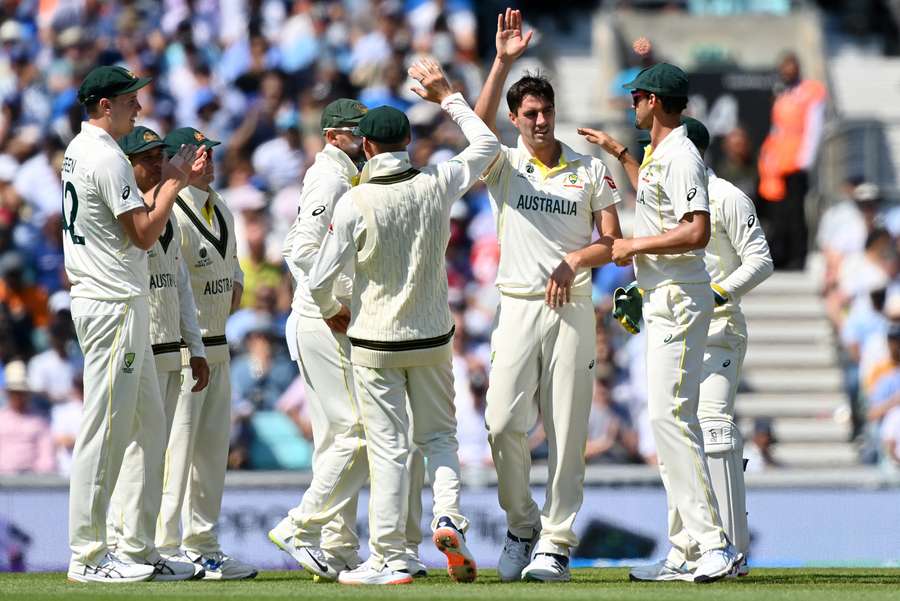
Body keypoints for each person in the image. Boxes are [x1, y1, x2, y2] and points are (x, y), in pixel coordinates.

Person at [308, 57, 498, 585]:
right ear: (407, 142)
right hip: (433, 335)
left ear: (366, 147)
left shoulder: (354, 200)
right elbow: (486, 147)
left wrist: (333, 313)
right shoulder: (436, 182)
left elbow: (320, 279)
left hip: (375, 342)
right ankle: (448, 517)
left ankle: (394, 556)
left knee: (390, 448)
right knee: (439, 438)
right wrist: (449, 97)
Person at [580, 116, 773, 578]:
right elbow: (658, 249)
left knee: (712, 428)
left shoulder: (726, 196)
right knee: (673, 431)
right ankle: (686, 547)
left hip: (720, 328)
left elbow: (760, 260)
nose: (651, 155)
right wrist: (635, 295)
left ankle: (730, 549)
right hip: (678, 321)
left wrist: (719, 294)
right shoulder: (666, 199)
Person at [472, 9, 623, 582]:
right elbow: (474, 127)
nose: (539, 121)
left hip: (573, 308)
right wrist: (503, 61)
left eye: (546, 112)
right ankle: (522, 523)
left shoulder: (590, 170)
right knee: (502, 422)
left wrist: (575, 258)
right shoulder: (504, 165)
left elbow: (613, 243)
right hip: (517, 303)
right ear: (515, 119)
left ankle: (557, 541)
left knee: (567, 426)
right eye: (529, 113)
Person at [267, 97, 428, 580]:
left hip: (326, 318)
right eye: (356, 134)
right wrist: (332, 303)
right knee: (359, 431)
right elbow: (298, 249)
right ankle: (302, 527)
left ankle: (335, 545)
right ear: (334, 136)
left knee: (340, 435)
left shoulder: (346, 175)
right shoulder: (332, 177)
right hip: (323, 320)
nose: (365, 142)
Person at [63, 65, 205, 583]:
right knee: (105, 430)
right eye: (130, 101)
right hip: (113, 303)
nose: (138, 109)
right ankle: (87, 555)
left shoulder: (82, 150)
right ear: (105, 105)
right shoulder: (105, 157)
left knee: (149, 427)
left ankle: (137, 550)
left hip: (118, 299)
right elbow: (145, 234)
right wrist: (172, 182)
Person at [105, 125, 210, 581]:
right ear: (127, 164)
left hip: (170, 351)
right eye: (147, 157)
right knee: (133, 451)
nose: (156, 163)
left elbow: (181, 287)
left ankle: (141, 546)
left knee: (153, 454)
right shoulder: (126, 214)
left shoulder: (164, 213)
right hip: (135, 347)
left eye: (159, 156)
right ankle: (121, 544)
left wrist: (197, 346)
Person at [157, 126, 256, 580]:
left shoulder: (222, 208)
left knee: (212, 453)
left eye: (210, 153)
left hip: (219, 344)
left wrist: (234, 285)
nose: (208, 161)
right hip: (185, 348)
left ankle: (203, 543)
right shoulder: (171, 209)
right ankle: (165, 546)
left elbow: (232, 267)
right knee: (178, 453)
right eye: (198, 154)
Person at [757, 52, 826, 270]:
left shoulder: (810, 91)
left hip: (796, 161)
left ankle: (798, 256)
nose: (787, 71)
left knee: (796, 212)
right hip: (777, 163)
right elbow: (776, 129)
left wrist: (806, 158)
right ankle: (780, 254)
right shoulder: (781, 93)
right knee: (779, 213)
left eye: (790, 66)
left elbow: (814, 127)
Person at [0, 360, 55, 475]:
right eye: (14, 392)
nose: (18, 397)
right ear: (8, 394)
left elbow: (46, 455)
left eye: (21, 392)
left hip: (31, 481)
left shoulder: (39, 421)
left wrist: (39, 476)